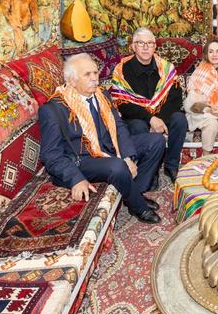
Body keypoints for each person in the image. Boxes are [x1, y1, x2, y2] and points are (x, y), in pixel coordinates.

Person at [39, 53, 165, 224]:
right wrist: (76, 179)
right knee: (117, 166)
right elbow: (51, 154)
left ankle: (135, 193)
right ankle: (138, 206)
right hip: (83, 158)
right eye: (87, 74)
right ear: (72, 81)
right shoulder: (54, 109)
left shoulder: (102, 94)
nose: (94, 78)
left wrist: (127, 156)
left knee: (156, 141)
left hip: (108, 146)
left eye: (95, 72)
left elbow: (118, 126)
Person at [110, 27, 186, 183]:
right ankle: (151, 170)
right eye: (141, 43)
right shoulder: (122, 69)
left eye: (150, 43)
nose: (146, 47)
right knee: (137, 126)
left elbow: (176, 99)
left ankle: (171, 165)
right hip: (137, 116)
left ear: (155, 46)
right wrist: (150, 119)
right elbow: (123, 104)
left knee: (180, 119)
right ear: (133, 46)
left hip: (162, 114)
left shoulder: (166, 67)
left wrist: (159, 119)